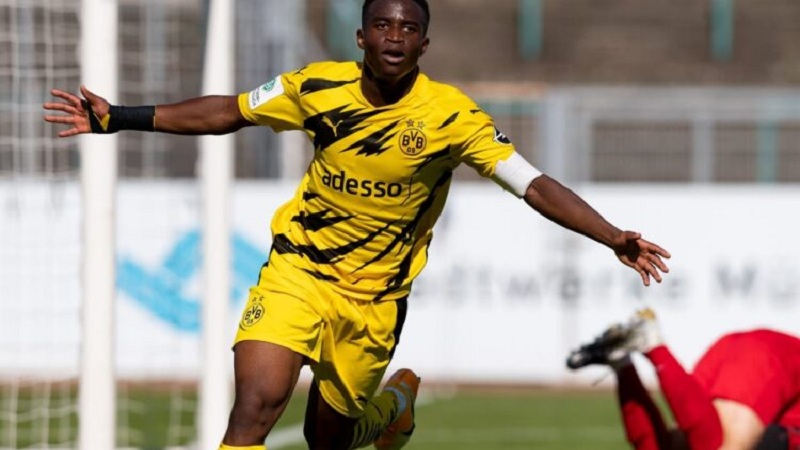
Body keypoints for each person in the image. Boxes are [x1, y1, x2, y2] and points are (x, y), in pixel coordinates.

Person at [43, 0, 671, 448]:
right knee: (254, 409)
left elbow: (531, 183)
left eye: (409, 28)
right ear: (361, 36)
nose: (395, 36)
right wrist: (120, 116)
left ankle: (392, 410)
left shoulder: (451, 117)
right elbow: (229, 112)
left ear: (424, 45)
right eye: (383, 25)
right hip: (298, 272)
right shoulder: (316, 86)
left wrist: (612, 236)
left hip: (374, 299)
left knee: (328, 439)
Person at [566, 308, 800, 450]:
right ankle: (653, 344)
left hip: (743, 353)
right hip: (770, 359)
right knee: (722, 447)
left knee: (680, 445)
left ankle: (622, 363)